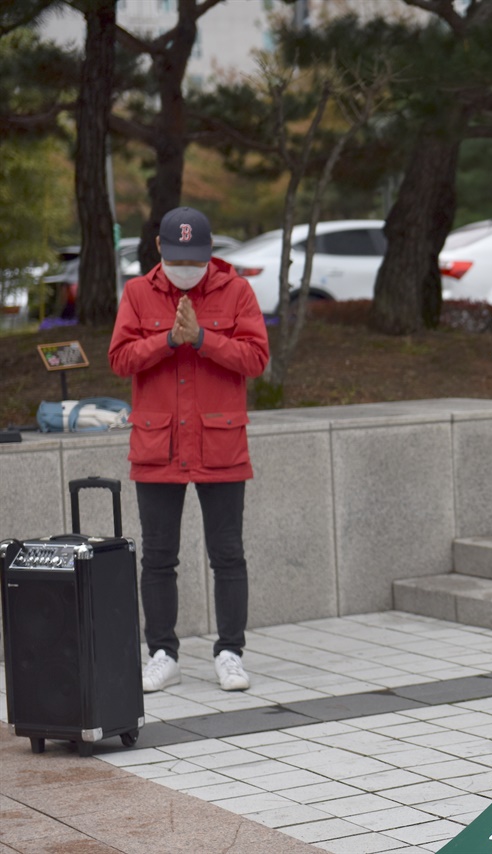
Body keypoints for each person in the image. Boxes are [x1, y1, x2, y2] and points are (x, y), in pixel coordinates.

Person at [109, 206, 270, 694]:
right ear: (159, 249)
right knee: (158, 557)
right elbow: (119, 359)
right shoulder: (137, 293)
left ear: (210, 254)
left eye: (196, 259)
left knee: (228, 555)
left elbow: (257, 358)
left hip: (219, 442)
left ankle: (230, 652)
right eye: (178, 258)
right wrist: (166, 340)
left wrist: (202, 338)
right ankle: (162, 653)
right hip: (159, 444)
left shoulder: (236, 290)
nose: (187, 267)